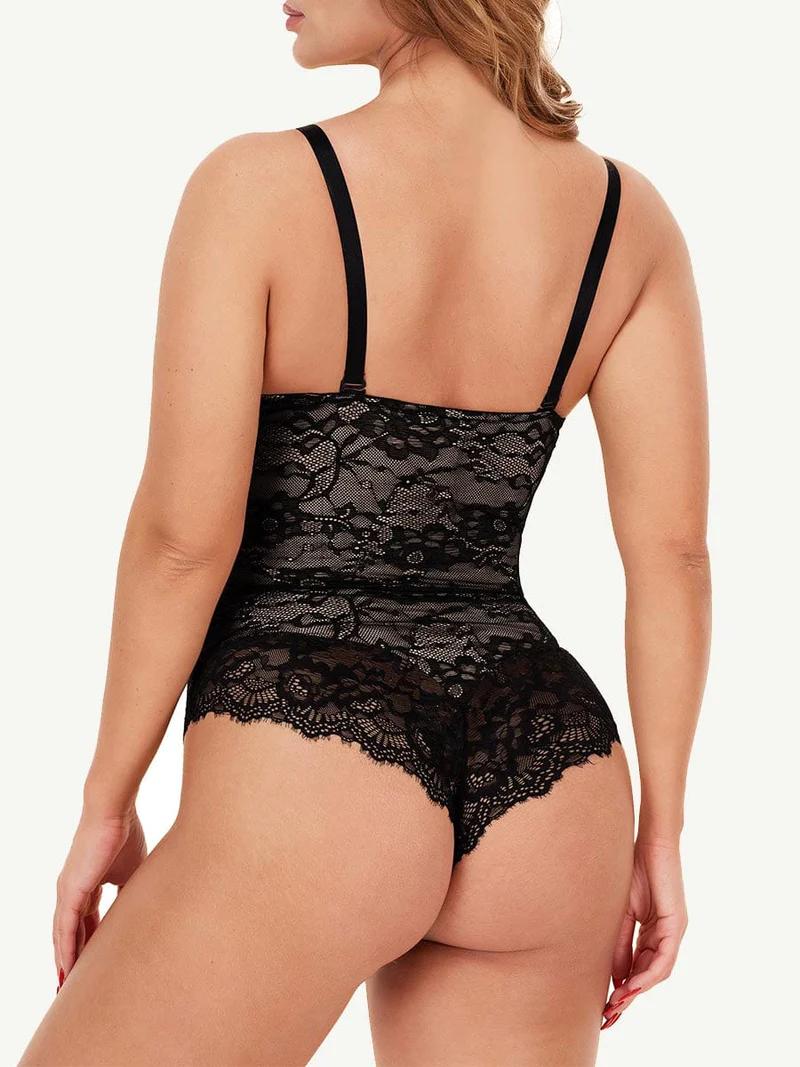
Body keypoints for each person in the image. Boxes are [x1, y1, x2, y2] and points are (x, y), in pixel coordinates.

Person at [20, 1, 710, 1064]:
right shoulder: (628, 219)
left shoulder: (256, 187)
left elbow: (181, 543)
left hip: (311, 744)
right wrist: (659, 828)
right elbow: (673, 556)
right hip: (551, 771)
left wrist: (106, 804)